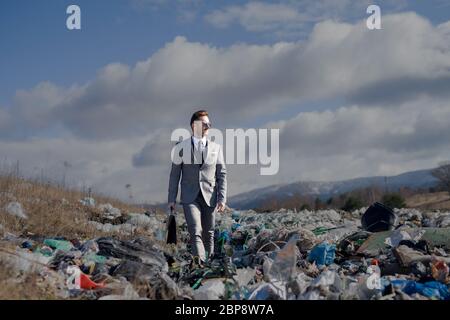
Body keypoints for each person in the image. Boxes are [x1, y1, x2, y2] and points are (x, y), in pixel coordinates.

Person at [168, 110, 227, 267]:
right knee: (195, 230)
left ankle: (209, 263)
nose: (208, 127)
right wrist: (171, 199)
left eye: (209, 124)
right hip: (189, 196)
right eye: (205, 124)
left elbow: (222, 174)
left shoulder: (216, 148)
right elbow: (174, 175)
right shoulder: (180, 148)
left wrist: (222, 198)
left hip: (210, 195)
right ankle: (200, 263)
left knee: (209, 233)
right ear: (194, 126)